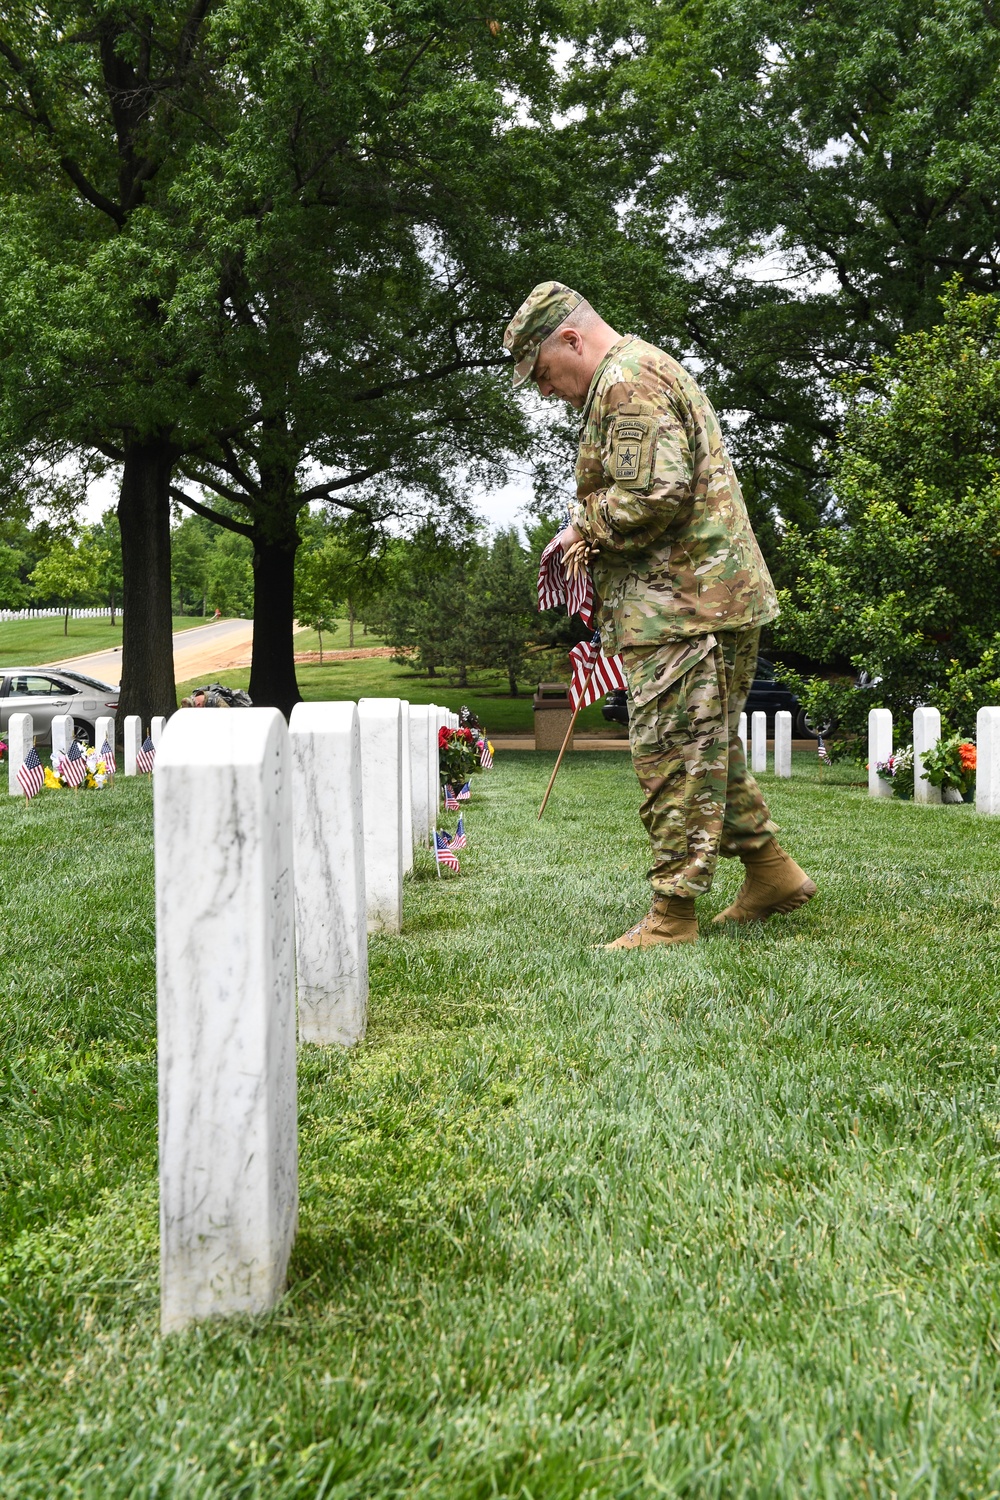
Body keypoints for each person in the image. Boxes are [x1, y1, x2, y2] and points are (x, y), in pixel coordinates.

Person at [504, 281, 817, 949]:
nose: (542, 389)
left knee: (672, 756)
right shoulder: (636, 371)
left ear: (571, 339)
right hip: (701, 598)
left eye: (542, 372)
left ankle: (671, 918)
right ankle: (772, 874)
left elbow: (653, 494)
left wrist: (582, 524)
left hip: (683, 606)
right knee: (706, 751)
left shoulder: (626, 379)